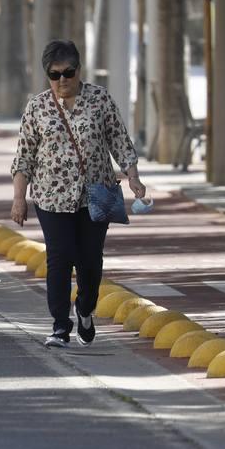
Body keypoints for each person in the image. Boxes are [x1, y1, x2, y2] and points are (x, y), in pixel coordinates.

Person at [9, 39, 146, 348]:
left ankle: (85, 308)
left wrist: (134, 177)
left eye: (68, 73)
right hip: (50, 196)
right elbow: (24, 156)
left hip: (96, 194)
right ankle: (59, 325)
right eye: (54, 74)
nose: (62, 81)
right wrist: (19, 198)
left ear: (78, 70)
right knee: (59, 258)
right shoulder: (38, 106)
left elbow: (120, 141)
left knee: (90, 261)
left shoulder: (100, 99)